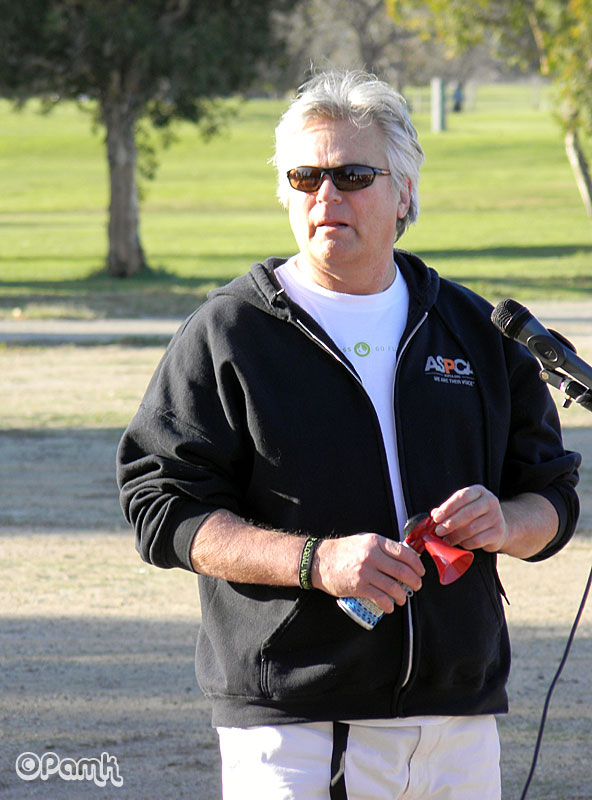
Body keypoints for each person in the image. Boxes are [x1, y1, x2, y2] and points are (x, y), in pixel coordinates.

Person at [117, 69, 580, 800]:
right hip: (295, 725)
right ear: (284, 193)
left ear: (405, 194)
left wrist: (505, 522)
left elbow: (551, 495)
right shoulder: (229, 333)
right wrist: (318, 562)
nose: (325, 196)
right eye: (305, 177)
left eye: (353, 175)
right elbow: (161, 508)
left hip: (458, 721)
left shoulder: (475, 331)